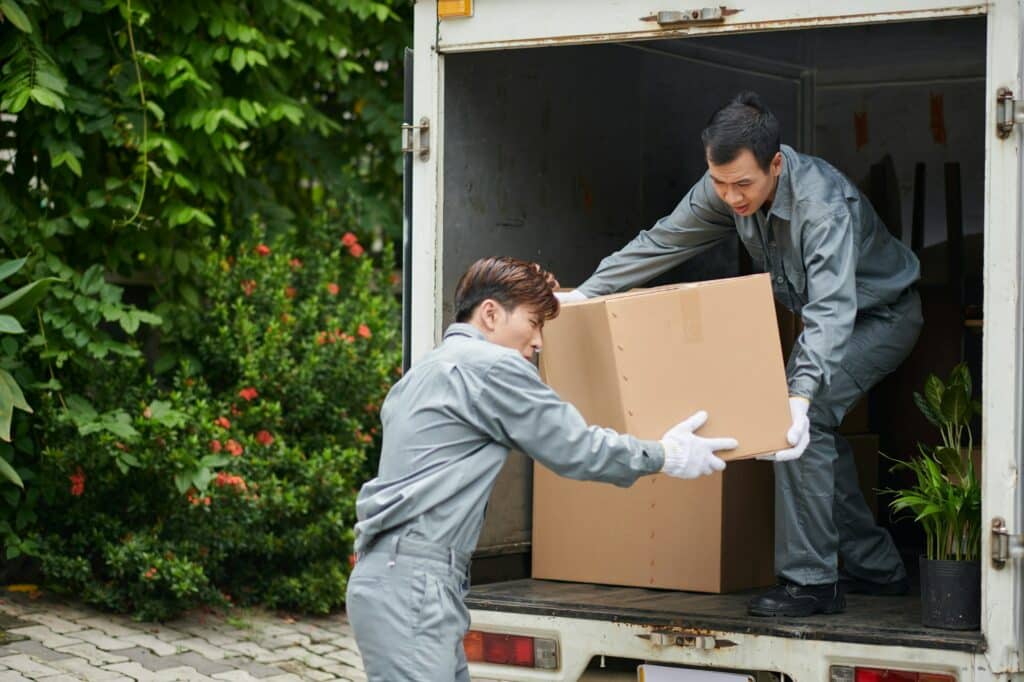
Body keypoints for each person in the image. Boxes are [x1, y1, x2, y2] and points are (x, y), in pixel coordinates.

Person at [558, 92, 922, 617]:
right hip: (827, 319)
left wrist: (799, 393)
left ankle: (812, 584)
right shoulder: (726, 186)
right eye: (719, 182)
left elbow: (832, 311)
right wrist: (588, 292)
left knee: (804, 420)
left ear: (776, 163)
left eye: (743, 184)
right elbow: (663, 241)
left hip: (880, 317)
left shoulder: (822, 207)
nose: (730, 197)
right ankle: (878, 567)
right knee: (810, 435)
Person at [347, 256, 738, 681]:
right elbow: (576, 447)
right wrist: (665, 455)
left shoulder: (427, 369)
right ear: (491, 313)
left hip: (392, 577)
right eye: (533, 323)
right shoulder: (492, 366)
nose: (539, 342)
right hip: (416, 583)